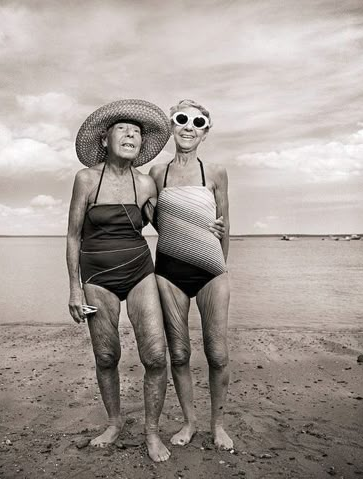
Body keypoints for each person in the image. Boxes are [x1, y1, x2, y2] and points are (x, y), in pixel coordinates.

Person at [66, 99, 172, 462]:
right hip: (97, 275)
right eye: (123, 129)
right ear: (105, 138)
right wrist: (74, 287)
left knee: (156, 356)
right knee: (107, 354)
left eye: (138, 132)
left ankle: (152, 433)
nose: (131, 135)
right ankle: (113, 423)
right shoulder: (86, 179)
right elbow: (72, 236)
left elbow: (166, 228)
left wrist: (208, 229)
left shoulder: (144, 184)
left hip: (140, 270)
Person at [149, 99, 233, 450]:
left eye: (197, 122)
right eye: (181, 119)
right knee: (179, 353)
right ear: (171, 125)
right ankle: (189, 422)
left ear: (205, 131)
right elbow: (152, 217)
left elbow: (226, 223)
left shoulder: (214, 172)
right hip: (168, 271)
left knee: (217, 353)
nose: (188, 126)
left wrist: (219, 264)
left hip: (211, 271)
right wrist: (187, 225)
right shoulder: (157, 173)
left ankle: (219, 425)